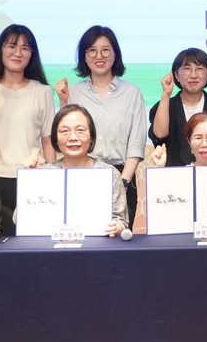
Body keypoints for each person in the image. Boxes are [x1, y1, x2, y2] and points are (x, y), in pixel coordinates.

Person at [0, 24, 55, 237]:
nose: (18, 53)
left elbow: (47, 139)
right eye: (12, 46)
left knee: (31, 239)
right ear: (0, 50)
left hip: (30, 177)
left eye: (25, 48)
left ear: (32, 54)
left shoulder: (43, 91)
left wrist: (52, 176)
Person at [56, 26, 147, 225]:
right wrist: (63, 101)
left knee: (118, 236)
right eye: (92, 50)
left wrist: (123, 182)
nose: (99, 56)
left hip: (122, 174)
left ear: (115, 54)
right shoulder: (73, 92)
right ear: (84, 55)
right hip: (82, 174)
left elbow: (136, 144)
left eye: (105, 50)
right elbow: (64, 134)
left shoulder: (132, 92)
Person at [133, 112, 207, 234]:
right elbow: (163, 210)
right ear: (189, 141)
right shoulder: (180, 177)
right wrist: (159, 169)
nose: (204, 144)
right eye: (198, 138)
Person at [38, 104, 128, 236]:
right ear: (55, 139)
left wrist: (117, 227)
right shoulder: (44, 174)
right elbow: (18, 219)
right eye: (64, 131)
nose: (73, 138)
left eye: (80, 130)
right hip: (51, 244)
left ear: (91, 136)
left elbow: (121, 220)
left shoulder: (109, 173)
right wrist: (30, 179)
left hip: (97, 244)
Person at [149, 48, 207, 166]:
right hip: (175, 174)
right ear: (176, 75)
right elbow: (160, 134)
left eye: (199, 69)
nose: (193, 75)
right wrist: (166, 94)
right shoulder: (164, 106)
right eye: (187, 69)